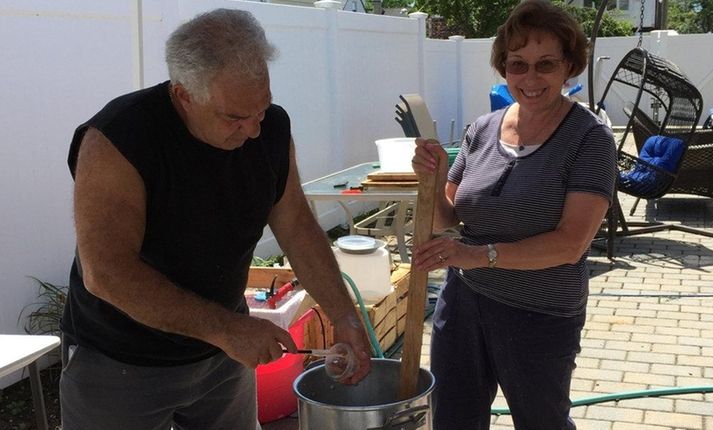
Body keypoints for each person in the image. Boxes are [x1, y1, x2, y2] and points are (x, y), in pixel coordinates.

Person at [60, 8, 371, 430]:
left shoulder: (271, 129)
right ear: (183, 94)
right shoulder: (118, 139)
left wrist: (344, 315)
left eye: (261, 108)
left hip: (222, 360)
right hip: (121, 361)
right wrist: (227, 330)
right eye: (234, 117)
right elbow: (107, 272)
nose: (253, 130)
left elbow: (296, 226)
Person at [410, 1, 617, 428]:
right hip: (463, 305)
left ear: (569, 66)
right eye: (517, 64)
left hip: (538, 314)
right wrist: (431, 179)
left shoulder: (589, 139)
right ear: (504, 67)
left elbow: (570, 244)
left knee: (541, 421)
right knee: (452, 418)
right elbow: (447, 219)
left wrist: (476, 255)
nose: (530, 78)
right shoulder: (482, 129)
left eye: (545, 64)